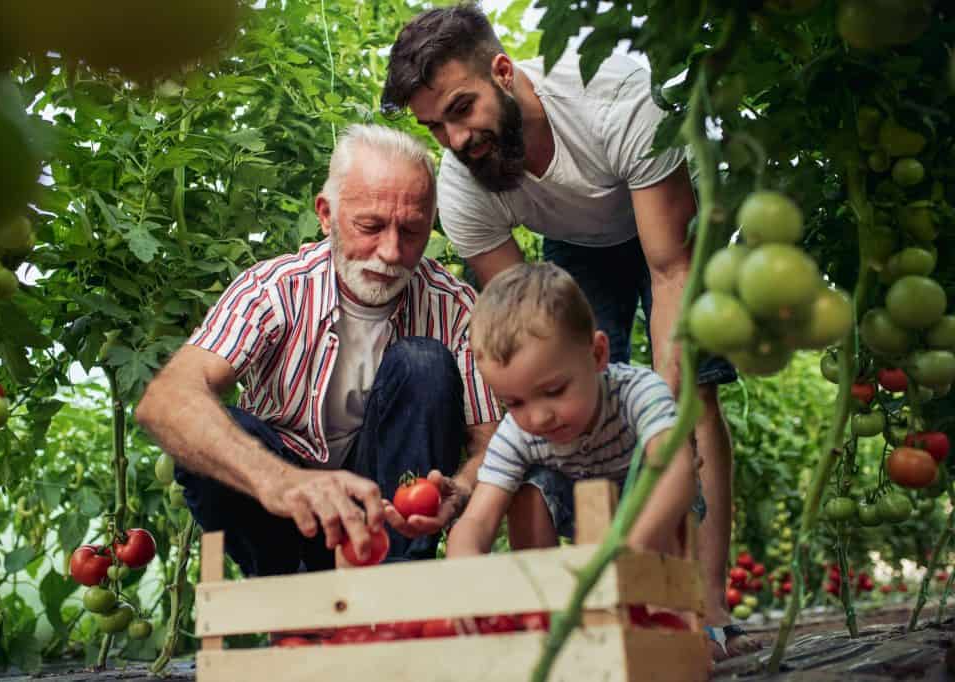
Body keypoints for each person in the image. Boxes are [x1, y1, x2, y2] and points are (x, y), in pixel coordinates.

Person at [381, 3, 753, 659]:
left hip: (664, 218)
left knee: (694, 393)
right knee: (563, 405)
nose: (455, 139)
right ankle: (597, 602)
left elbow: (669, 269)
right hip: (579, 243)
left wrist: (657, 418)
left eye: (462, 109)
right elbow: (528, 318)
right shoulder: (466, 190)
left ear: (503, 70)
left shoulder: (618, 98)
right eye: (434, 126)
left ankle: (709, 594)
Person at [136, 124, 501, 577]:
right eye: (370, 226)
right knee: (214, 429)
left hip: (391, 517)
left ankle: (395, 597)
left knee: (423, 362)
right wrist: (282, 482)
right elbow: (165, 401)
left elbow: (492, 444)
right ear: (326, 215)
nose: (390, 251)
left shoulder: (454, 307)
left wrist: (462, 487)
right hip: (284, 518)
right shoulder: (274, 290)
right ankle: (285, 592)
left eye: (411, 231)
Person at [447, 262, 696, 560]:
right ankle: (543, 597)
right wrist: (464, 566)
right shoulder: (517, 434)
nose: (538, 418)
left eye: (554, 391)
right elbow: (476, 520)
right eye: (514, 403)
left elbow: (677, 471)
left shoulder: (638, 392)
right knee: (528, 489)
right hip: (576, 506)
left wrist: (629, 552)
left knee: (669, 481)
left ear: (597, 355)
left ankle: (669, 601)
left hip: (651, 511)